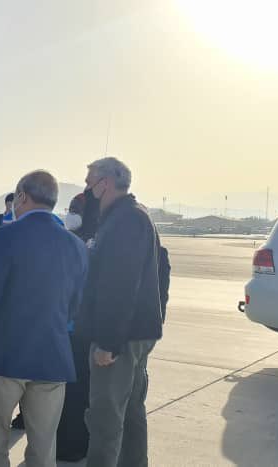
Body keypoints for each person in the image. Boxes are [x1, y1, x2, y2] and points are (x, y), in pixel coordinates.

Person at [0, 170, 88, 467]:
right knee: (44, 449)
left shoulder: (4, 237)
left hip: (4, 358)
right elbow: (75, 306)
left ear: (22, 196)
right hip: (52, 358)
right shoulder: (76, 246)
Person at [79, 157, 163, 467]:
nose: (87, 190)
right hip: (136, 333)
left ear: (106, 183)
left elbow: (119, 285)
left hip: (121, 338)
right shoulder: (132, 216)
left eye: (90, 183)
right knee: (130, 412)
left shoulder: (125, 221)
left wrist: (108, 342)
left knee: (106, 418)